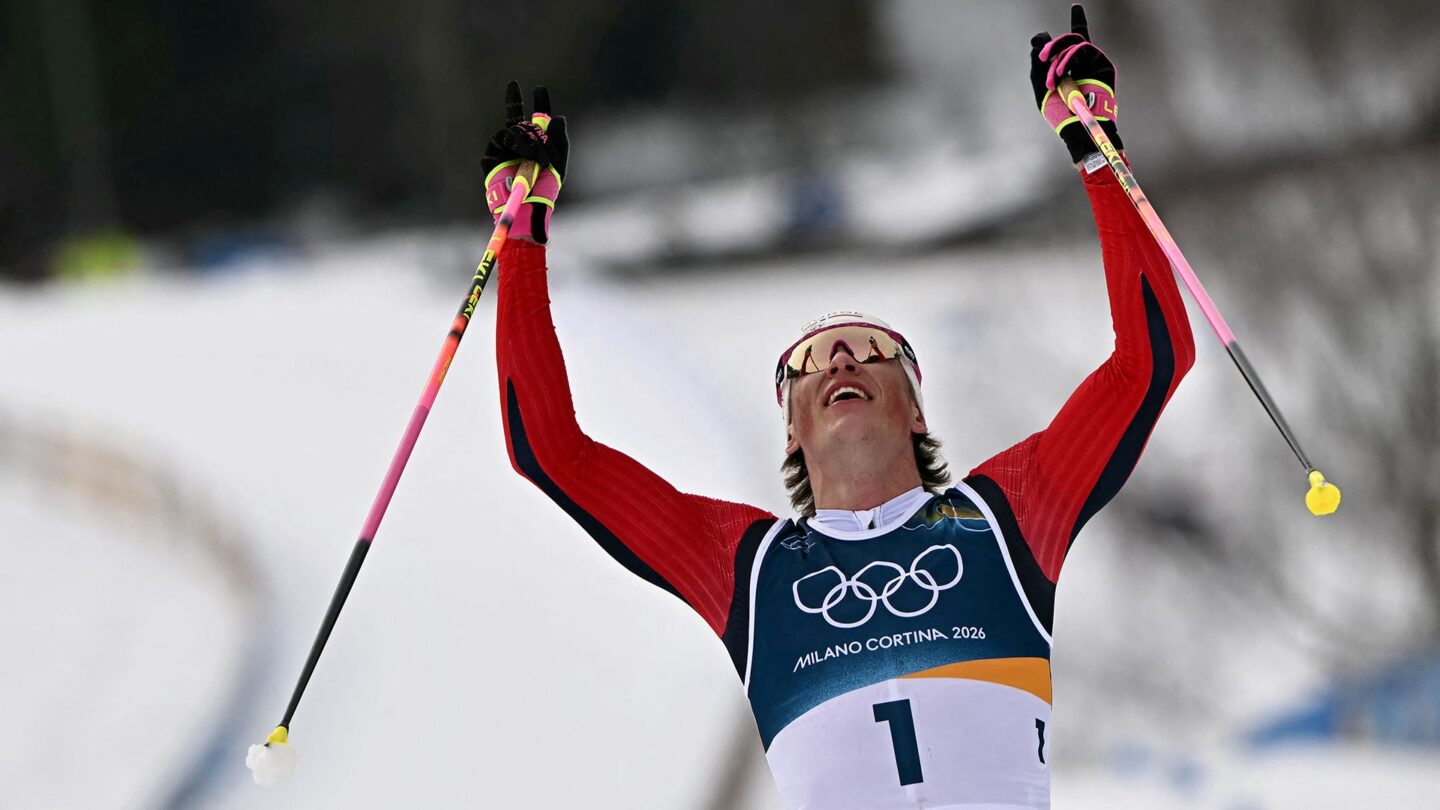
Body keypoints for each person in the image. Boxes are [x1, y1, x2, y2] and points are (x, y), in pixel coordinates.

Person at [488, 6, 1194, 808]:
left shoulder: (1008, 515)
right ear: (791, 430)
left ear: (918, 411)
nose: (841, 360)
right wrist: (521, 237)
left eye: (870, 349)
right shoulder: (746, 572)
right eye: (810, 365)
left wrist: (1097, 148)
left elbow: (1151, 362)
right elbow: (548, 449)